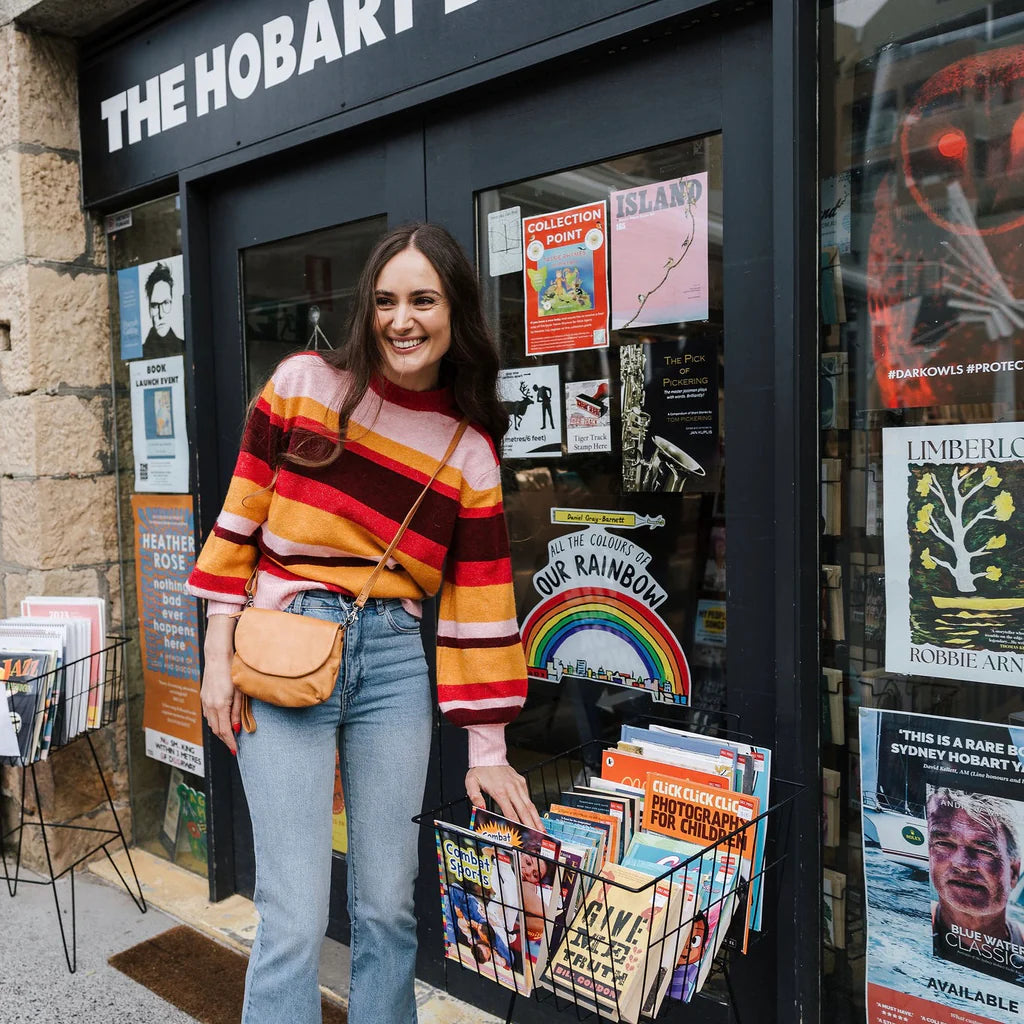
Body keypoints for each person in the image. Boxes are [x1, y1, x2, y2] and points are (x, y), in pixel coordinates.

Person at [186, 223, 543, 1024]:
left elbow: (479, 601)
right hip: (282, 649)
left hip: (391, 663)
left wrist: (488, 748)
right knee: (295, 916)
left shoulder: (468, 449)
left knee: (387, 910)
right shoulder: (303, 385)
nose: (402, 319)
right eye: (385, 301)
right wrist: (217, 654)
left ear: (456, 312)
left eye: (423, 299)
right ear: (365, 309)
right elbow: (237, 527)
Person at [927, 787, 1024, 980]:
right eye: (944, 844)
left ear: (1013, 873)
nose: (962, 864)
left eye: (983, 850)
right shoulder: (913, 922)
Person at [143, 261, 183, 357]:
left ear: (172, 303)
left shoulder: (184, 347)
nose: (161, 314)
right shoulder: (140, 354)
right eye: (155, 305)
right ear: (149, 309)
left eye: (165, 303)